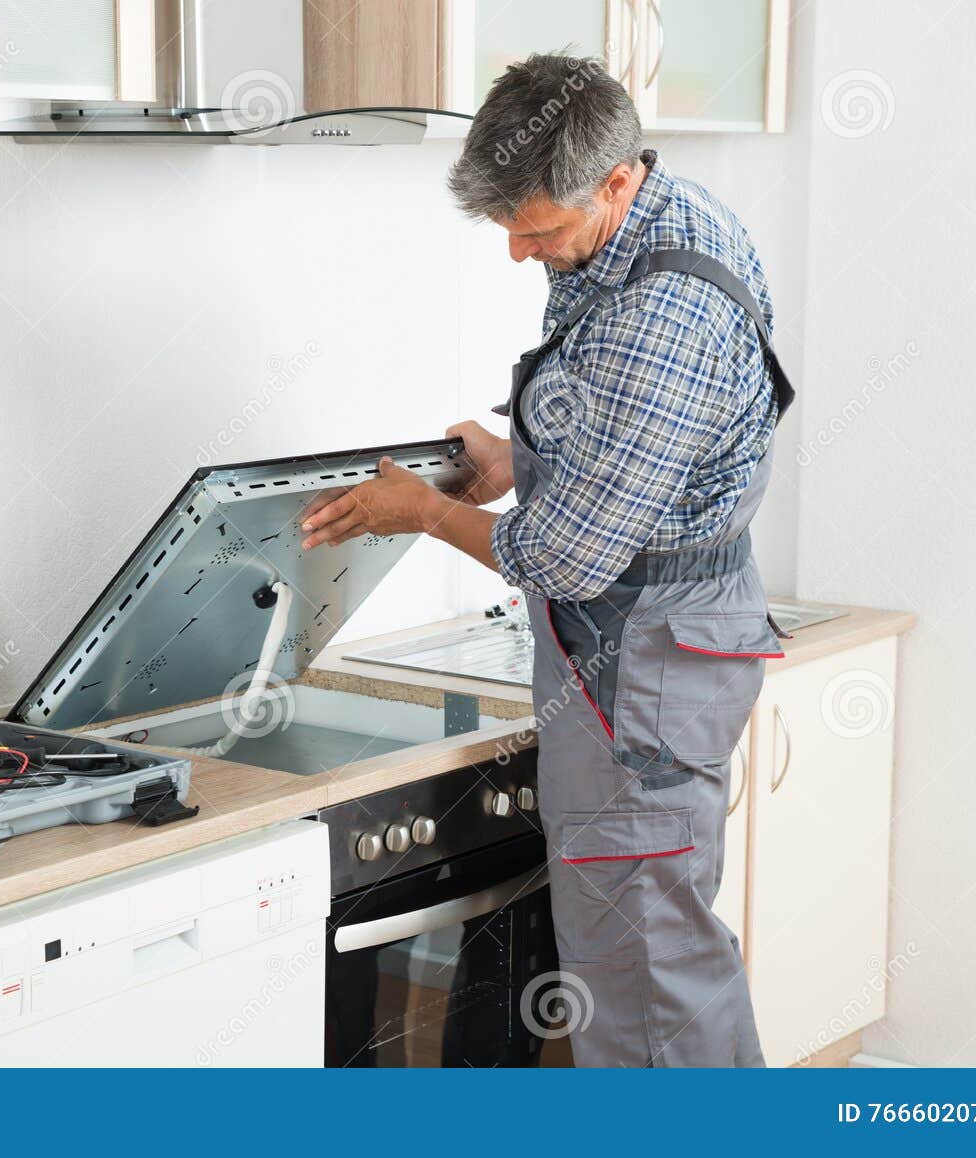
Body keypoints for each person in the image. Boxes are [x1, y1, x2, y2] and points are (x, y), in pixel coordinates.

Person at [299, 53, 793, 1067]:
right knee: (664, 962)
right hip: (660, 650)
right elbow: (634, 451)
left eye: (540, 231)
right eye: (507, 229)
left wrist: (424, 514)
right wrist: (513, 463)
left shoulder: (661, 311)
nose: (521, 254)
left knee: (645, 979)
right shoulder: (661, 217)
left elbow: (565, 558)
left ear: (617, 179)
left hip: (641, 668)